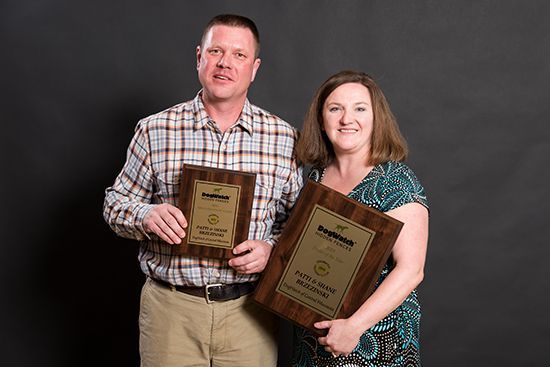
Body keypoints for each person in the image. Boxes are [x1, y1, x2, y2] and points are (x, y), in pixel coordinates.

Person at [103, 14, 303, 367]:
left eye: (239, 55)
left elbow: (298, 225)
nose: (226, 63)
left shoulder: (284, 138)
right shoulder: (155, 130)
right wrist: (145, 214)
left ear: (254, 68)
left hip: (250, 314)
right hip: (171, 312)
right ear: (199, 57)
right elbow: (115, 204)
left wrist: (273, 249)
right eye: (216, 51)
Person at [292, 70, 429, 367]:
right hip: (315, 335)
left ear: (376, 117)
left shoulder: (396, 181)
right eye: (335, 108)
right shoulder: (316, 177)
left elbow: (411, 270)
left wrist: (354, 326)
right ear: (321, 119)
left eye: (359, 108)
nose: (346, 119)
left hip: (374, 336)